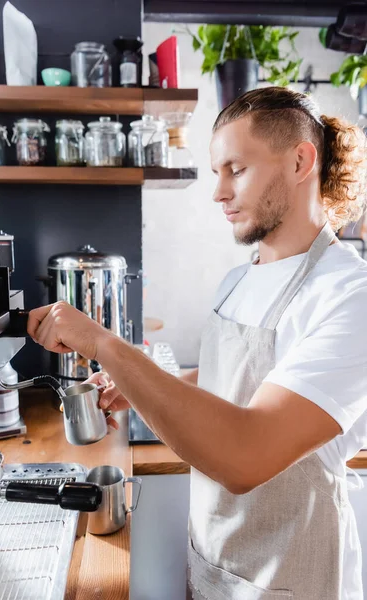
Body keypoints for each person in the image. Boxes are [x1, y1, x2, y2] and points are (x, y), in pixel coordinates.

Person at [28, 87, 367, 600]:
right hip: (214, 565)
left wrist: (106, 345)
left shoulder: (349, 295)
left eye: (237, 169)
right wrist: (137, 382)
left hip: (291, 580)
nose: (219, 193)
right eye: (217, 173)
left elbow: (245, 456)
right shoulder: (238, 279)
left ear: (300, 161)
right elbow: (229, 375)